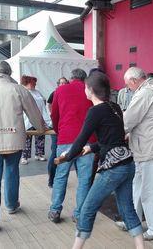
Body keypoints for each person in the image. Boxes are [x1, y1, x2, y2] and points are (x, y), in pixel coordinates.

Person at [54, 72, 145, 249]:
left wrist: (68, 156)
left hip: (114, 168)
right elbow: (111, 138)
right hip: (127, 164)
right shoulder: (114, 106)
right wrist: (91, 148)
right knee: (127, 208)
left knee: (88, 208)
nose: (84, 90)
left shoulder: (95, 110)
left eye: (86, 87)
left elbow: (81, 138)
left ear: (91, 90)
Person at [0, 61, 45, 233]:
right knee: (12, 172)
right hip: (14, 138)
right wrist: (41, 128)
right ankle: (12, 205)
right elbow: (33, 113)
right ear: (9, 73)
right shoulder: (19, 89)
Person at [120, 67, 153, 241]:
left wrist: (116, 132)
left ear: (135, 81)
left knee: (150, 190)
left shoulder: (144, 94)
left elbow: (129, 120)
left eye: (129, 85)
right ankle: (132, 220)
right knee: (137, 186)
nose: (129, 88)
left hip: (149, 148)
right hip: (147, 147)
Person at [48, 68, 96, 224]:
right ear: (85, 78)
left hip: (65, 138)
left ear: (71, 77)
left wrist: (58, 130)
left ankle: (55, 210)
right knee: (85, 179)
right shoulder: (90, 90)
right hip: (87, 141)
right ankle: (79, 213)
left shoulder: (60, 90)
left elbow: (54, 115)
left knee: (61, 176)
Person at [20, 75, 51, 164]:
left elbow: (43, 103)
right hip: (27, 119)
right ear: (28, 82)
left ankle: (39, 154)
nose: (35, 84)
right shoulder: (23, 92)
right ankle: (24, 156)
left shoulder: (37, 92)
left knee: (40, 136)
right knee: (26, 138)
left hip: (39, 117)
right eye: (33, 82)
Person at [46, 77, 68, 188]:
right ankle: (51, 178)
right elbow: (49, 103)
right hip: (57, 127)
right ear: (58, 84)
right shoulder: (54, 93)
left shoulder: (69, 93)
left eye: (65, 82)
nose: (63, 84)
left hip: (66, 126)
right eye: (61, 83)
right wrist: (52, 112)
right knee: (55, 153)